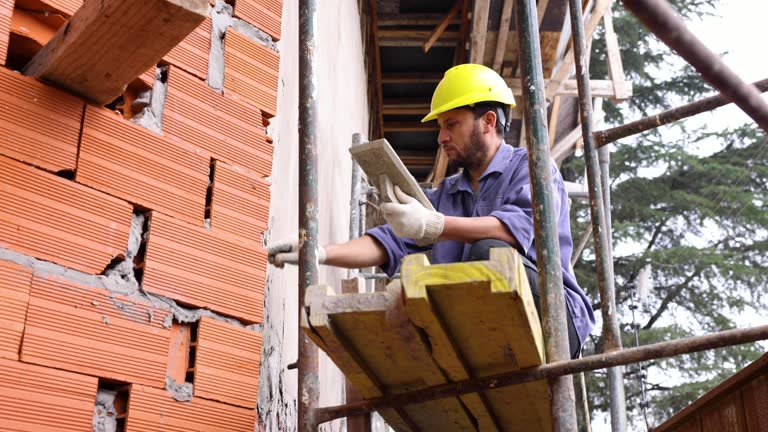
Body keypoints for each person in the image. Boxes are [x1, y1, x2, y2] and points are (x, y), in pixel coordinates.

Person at [267, 63, 594, 358]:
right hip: (487, 328)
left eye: (451, 124)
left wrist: (435, 225)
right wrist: (320, 252)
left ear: (488, 122)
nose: (442, 137)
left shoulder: (532, 168)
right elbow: (386, 243)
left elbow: (510, 231)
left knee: (488, 254)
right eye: (440, 127)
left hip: (556, 315)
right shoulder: (447, 195)